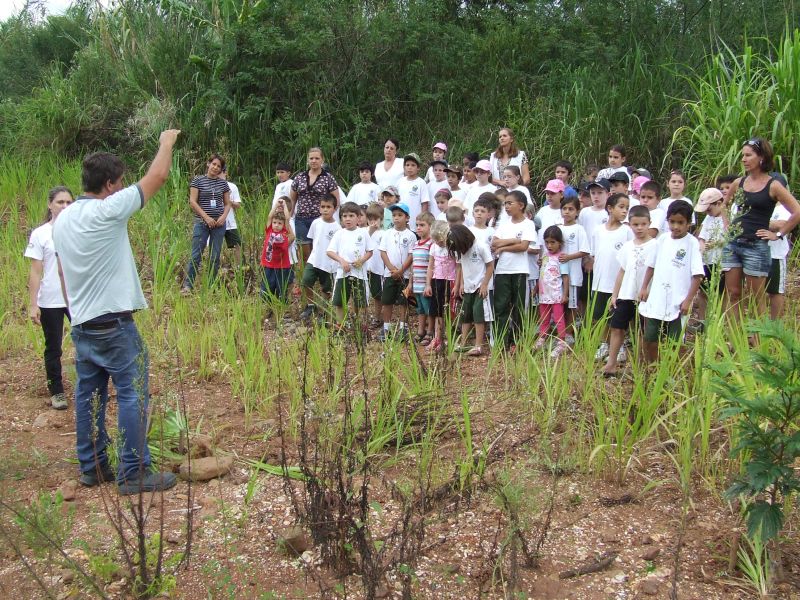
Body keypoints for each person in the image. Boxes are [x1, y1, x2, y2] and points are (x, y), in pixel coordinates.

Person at [52, 129, 180, 494]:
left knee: (89, 397)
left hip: (82, 323)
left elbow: (61, 272)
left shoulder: (63, 220)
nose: (122, 186)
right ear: (109, 184)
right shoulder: (108, 210)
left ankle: (92, 467)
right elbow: (157, 177)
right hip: (113, 323)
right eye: (120, 182)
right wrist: (166, 143)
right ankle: (133, 472)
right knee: (132, 393)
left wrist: (75, 312)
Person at [722, 138, 800, 320]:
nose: (743, 159)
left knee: (756, 298)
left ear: (762, 158)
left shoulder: (773, 185)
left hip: (756, 246)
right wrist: (727, 225)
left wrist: (778, 234)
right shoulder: (739, 182)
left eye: (748, 155)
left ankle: (757, 337)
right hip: (733, 244)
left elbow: (797, 211)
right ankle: (736, 336)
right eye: (743, 155)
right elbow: (724, 204)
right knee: (733, 293)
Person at [25, 186, 74, 410]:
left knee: (88, 340)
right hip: (51, 299)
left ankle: (91, 387)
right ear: (50, 205)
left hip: (77, 297)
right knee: (53, 347)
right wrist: (33, 304)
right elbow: (36, 271)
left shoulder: (80, 229)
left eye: (68, 202)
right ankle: (57, 392)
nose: (64, 206)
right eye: (60, 202)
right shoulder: (41, 233)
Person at [638, 201, 704, 363]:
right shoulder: (662, 239)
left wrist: (688, 300)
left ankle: (675, 369)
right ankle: (653, 366)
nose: (675, 226)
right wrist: (644, 287)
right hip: (657, 297)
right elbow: (651, 265)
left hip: (678, 299)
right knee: (650, 336)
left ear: (688, 223)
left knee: (676, 340)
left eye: (680, 222)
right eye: (672, 222)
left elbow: (697, 275)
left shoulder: (691, 243)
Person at [603, 205, 656, 376]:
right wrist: (615, 294)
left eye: (643, 224)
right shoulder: (627, 246)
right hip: (626, 294)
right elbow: (622, 271)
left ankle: (640, 366)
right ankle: (611, 364)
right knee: (617, 327)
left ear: (649, 223)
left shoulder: (655, 245)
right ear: (630, 225)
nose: (639, 228)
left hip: (645, 296)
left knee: (641, 331)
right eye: (635, 224)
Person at [491, 190, 537, 351]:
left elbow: (523, 246)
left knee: (519, 307)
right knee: (501, 307)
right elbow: (494, 243)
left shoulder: (528, 224)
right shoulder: (504, 224)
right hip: (502, 270)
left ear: (521, 205)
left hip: (519, 271)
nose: (507, 206)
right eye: (505, 204)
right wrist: (513, 240)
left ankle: (517, 342)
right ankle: (501, 342)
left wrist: (504, 247)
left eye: (510, 203)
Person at [590, 193, 633, 362]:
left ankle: (619, 346)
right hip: (599, 282)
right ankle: (604, 344)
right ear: (610, 208)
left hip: (618, 285)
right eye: (621, 207)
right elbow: (595, 255)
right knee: (600, 315)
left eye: (627, 208)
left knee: (616, 318)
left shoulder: (627, 232)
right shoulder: (598, 231)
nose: (624, 211)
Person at [181, 153, 231, 293]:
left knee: (215, 256)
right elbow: (192, 201)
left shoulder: (223, 183)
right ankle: (188, 286)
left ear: (221, 169)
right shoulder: (198, 180)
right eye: (213, 164)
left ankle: (210, 286)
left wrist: (223, 217)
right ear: (208, 164)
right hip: (202, 223)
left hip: (219, 225)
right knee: (196, 254)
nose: (215, 167)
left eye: (219, 166)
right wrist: (206, 217)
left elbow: (227, 204)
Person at [326, 202, 375, 326]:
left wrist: (361, 260)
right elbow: (330, 251)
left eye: (351, 216)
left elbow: (370, 251)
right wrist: (341, 261)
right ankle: (340, 326)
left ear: (358, 218)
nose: (348, 219)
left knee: (361, 302)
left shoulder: (363, 233)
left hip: (359, 273)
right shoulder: (339, 233)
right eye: (345, 216)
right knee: (339, 301)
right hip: (342, 273)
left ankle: (361, 326)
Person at [290, 147, 341, 263]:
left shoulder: (328, 178)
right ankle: (306, 272)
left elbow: (336, 201)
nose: (314, 161)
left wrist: (328, 216)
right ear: (308, 160)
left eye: (317, 158)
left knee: (318, 248)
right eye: (311, 158)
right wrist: (289, 217)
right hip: (301, 219)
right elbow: (292, 200)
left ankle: (319, 272)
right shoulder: (299, 177)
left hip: (319, 219)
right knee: (303, 251)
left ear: (322, 160)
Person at [450, 224, 494, 357]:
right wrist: (461, 284)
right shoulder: (460, 249)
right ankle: (463, 343)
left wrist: (485, 284)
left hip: (481, 287)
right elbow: (462, 267)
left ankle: (478, 346)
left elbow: (490, 265)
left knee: (478, 314)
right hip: (468, 287)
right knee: (465, 315)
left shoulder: (481, 246)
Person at [299, 193, 340, 320]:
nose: (325, 209)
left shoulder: (337, 228)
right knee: (306, 281)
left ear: (334, 208)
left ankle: (323, 311)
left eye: (328, 207)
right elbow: (312, 241)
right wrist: (310, 257)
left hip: (329, 264)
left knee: (326, 288)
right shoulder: (316, 223)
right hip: (314, 260)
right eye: (323, 207)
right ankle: (311, 305)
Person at [379, 202, 416, 341]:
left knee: (403, 301)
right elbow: (383, 252)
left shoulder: (411, 235)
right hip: (389, 274)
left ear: (407, 218)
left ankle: (403, 327)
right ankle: (386, 327)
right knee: (387, 301)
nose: (396, 218)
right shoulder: (387, 233)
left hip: (405, 275)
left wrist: (401, 271)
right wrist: (391, 268)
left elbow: (411, 255)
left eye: (400, 215)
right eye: (394, 215)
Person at [533, 226, 570, 358]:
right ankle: (542, 338)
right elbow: (542, 274)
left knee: (559, 319)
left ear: (560, 243)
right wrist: (536, 289)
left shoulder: (561, 258)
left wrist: (565, 294)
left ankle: (562, 342)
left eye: (553, 242)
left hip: (556, 295)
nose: (549, 245)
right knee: (544, 318)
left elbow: (565, 277)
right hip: (544, 295)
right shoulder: (544, 257)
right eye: (547, 242)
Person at [694, 188, 728, 329]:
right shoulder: (709, 218)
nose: (708, 213)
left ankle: (721, 323)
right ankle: (702, 322)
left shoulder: (726, 218)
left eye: (709, 209)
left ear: (719, 203)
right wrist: (702, 245)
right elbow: (701, 236)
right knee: (703, 292)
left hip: (720, 261)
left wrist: (715, 243)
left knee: (721, 293)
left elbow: (729, 236)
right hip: (706, 260)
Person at [558, 196, 590, 340]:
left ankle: (569, 334)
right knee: (559, 304)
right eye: (564, 208)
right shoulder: (558, 228)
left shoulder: (579, 229)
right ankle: (560, 332)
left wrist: (569, 257)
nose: (567, 212)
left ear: (577, 212)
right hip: (556, 274)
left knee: (572, 305)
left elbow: (585, 250)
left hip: (573, 274)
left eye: (571, 209)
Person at [425, 221, 457, 353]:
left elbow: (458, 266)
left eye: (441, 241)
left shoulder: (452, 247)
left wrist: (457, 284)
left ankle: (448, 338)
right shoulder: (433, 247)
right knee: (437, 311)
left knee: (448, 311)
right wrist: (428, 284)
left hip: (450, 281)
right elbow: (430, 266)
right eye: (436, 241)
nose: (439, 243)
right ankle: (437, 337)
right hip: (436, 280)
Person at [260, 200, 294, 303]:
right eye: (274, 223)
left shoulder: (285, 233)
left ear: (283, 225)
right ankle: (266, 304)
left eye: (279, 223)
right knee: (267, 287)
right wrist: (276, 205)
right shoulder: (269, 230)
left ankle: (281, 305)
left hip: (282, 266)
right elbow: (270, 217)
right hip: (269, 265)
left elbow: (287, 219)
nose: (276, 225)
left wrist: (284, 206)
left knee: (281, 288)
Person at [408, 213, 434, 345]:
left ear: (431, 227)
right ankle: (420, 330)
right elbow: (413, 264)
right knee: (420, 309)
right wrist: (410, 283)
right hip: (416, 283)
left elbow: (432, 265)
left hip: (426, 284)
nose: (418, 228)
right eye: (417, 225)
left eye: (422, 225)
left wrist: (429, 284)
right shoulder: (415, 244)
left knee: (429, 308)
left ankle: (430, 331)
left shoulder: (431, 244)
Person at [397, 153, 430, 232]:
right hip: (401, 221)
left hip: (415, 223)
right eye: (407, 165)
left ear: (418, 168)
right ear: (404, 167)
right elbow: (396, 199)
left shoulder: (421, 183)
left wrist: (422, 220)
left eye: (413, 165)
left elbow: (425, 203)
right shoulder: (400, 181)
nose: (410, 167)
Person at [365, 203, 386, 328]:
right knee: (365, 294)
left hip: (378, 269)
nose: (373, 222)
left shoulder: (385, 234)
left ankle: (378, 317)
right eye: (370, 219)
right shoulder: (363, 231)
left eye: (376, 219)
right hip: (364, 269)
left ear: (381, 219)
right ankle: (365, 317)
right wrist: (371, 230)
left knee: (377, 295)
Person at [220, 168, 243, 268]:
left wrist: (229, 200)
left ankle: (239, 267)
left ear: (225, 173)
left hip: (229, 221)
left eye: (220, 172)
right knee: (215, 245)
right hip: (214, 221)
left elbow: (238, 205)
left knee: (237, 244)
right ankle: (216, 267)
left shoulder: (232, 187)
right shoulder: (211, 185)